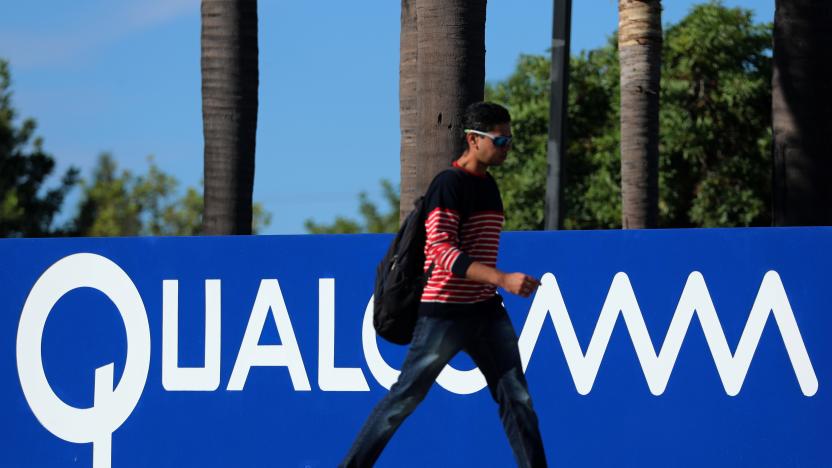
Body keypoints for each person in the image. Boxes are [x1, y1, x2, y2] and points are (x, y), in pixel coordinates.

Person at [341, 102, 548, 467]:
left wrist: (494, 286)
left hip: (485, 312)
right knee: (404, 398)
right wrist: (502, 279)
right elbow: (441, 252)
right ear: (473, 139)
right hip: (445, 314)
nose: (507, 147)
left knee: (518, 399)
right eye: (501, 140)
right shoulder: (448, 184)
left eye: (509, 140)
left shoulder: (490, 188)